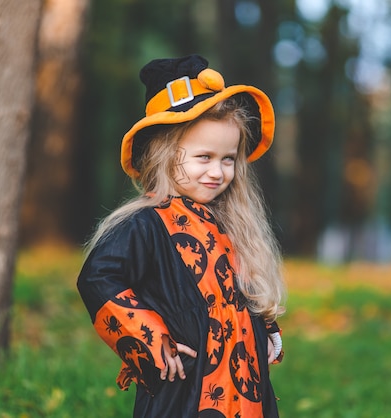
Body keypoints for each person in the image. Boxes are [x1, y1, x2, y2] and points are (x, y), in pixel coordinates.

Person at [77, 54, 286, 418]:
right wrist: (150, 338)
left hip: (244, 385)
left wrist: (266, 327)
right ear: (164, 154)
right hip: (185, 390)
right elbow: (98, 277)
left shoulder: (231, 222)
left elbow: (238, 289)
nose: (218, 172)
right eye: (203, 157)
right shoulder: (146, 223)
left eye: (227, 159)